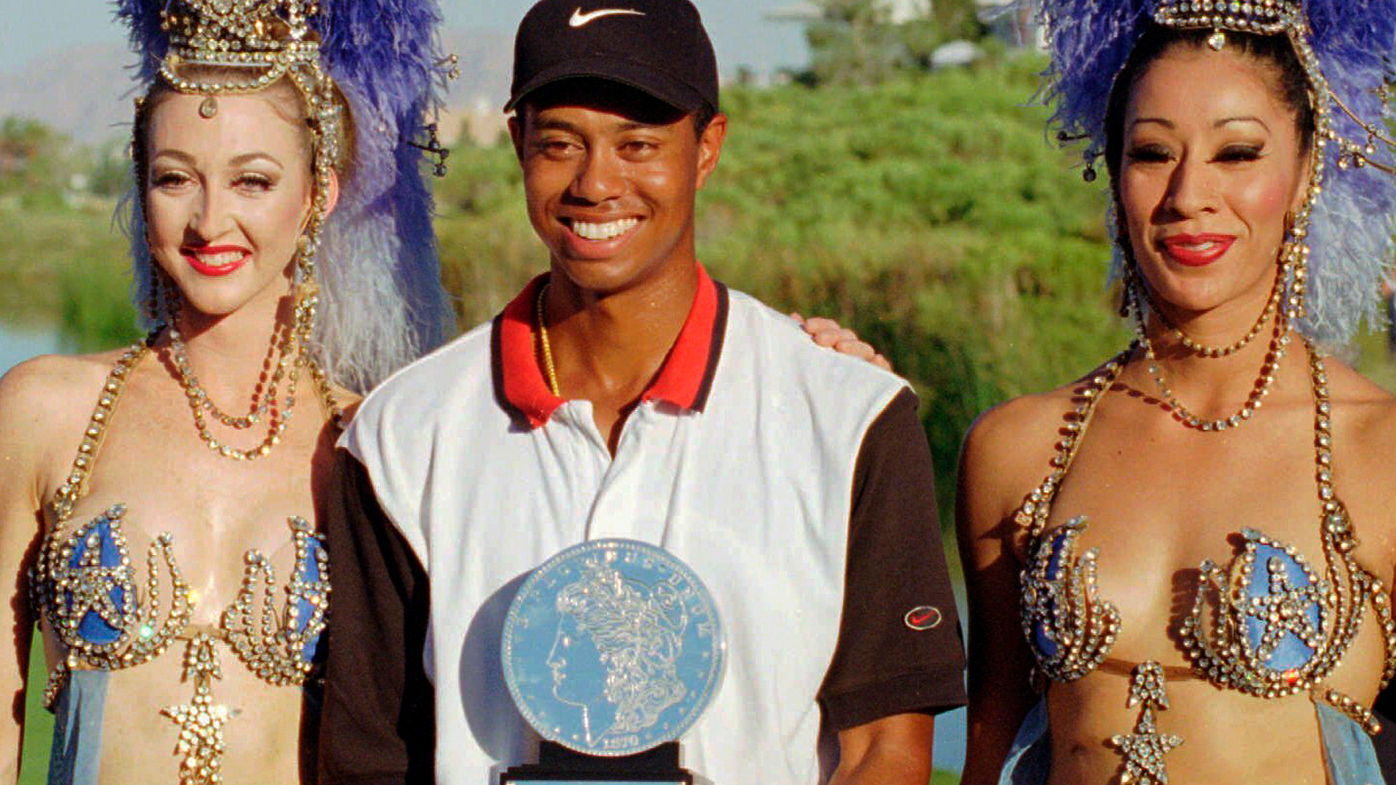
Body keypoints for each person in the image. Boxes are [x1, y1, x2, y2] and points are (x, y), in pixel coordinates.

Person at [317, 1, 967, 783]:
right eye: (559, 144)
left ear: (706, 147)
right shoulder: (404, 433)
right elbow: (369, 759)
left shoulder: (849, 415)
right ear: (518, 141)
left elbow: (885, 751)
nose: (596, 183)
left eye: (639, 144)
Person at [0, 0, 456, 782]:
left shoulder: (371, 443)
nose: (211, 222)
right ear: (141, 191)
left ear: (320, 194)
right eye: (176, 178)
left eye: (253, 180)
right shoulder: (43, 409)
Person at [956, 1, 1396, 784]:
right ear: (1113, 170)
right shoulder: (1017, 448)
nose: (1188, 193)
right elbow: (988, 741)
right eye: (1154, 152)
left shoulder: (1381, 448)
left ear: (1305, 174)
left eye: (1237, 154)